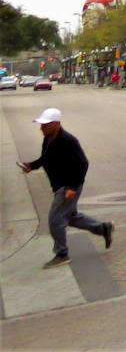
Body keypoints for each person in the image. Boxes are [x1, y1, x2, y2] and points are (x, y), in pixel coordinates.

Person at [20, 108, 113, 269]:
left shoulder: (68, 140)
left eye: (45, 124)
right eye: (41, 124)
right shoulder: (48, 138)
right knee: (69, 217)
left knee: (55, 219)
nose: (41, 127)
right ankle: (103, 228)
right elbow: (45, 159)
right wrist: (31, 166)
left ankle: (62, 254)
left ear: (56, 124)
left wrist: (72, 187)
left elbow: (83, 164)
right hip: (59, 185)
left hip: (68, 186)